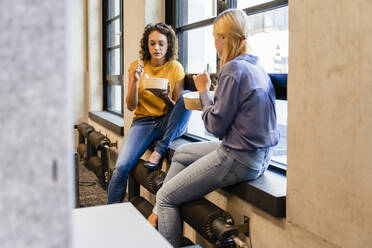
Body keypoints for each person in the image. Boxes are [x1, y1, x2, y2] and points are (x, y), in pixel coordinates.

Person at [147, 9, 280, 247]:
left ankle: (160, 212)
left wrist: (203, 91)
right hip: (262, 157)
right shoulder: (257, 68)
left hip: (238, 157)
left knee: (166, 196)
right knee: (182, 153)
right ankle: (159, 213)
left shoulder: (232, 70)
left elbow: (214, 126)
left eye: (215, 38)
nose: (215, 45)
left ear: (224, 38)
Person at [107, 22, 191, 204]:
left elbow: (178, 108)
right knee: (121, 167)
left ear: (169, 45)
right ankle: (110, 211)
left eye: (161, 43)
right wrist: (134, 81)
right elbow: (130, 106)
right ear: (147, 44)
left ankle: (160, 150)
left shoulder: (175, 67)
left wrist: (164, 97)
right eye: (152, 43)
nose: (156, 48)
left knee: (185, 96)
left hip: (167, 121)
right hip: (143, 122)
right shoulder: (137, 66)